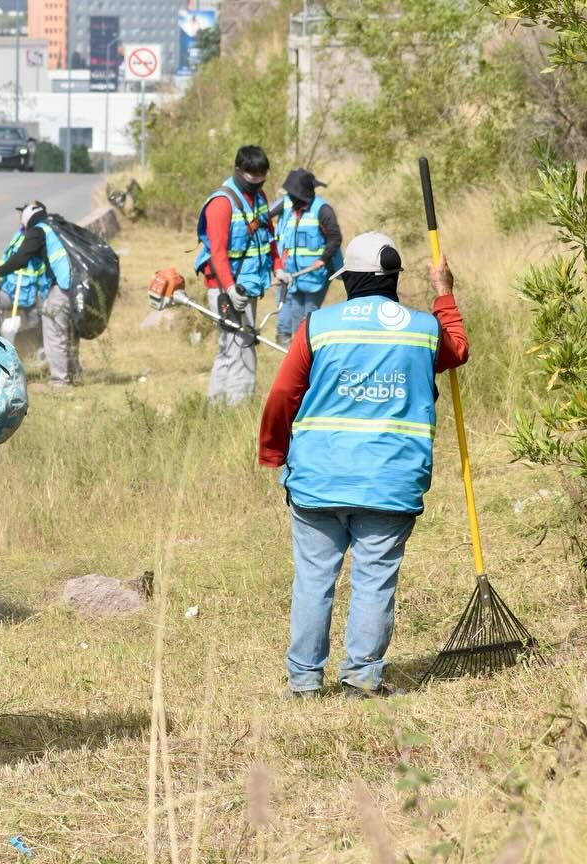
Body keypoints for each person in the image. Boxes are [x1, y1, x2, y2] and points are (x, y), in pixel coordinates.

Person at [258, 233, 469, 699]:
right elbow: (458, 348)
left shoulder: (318, 326)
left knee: (314, 579)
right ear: (393, 279)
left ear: (348, 279)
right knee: (374, 581)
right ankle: (362, 679)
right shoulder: (422, 329)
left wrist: (274, 451)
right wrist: (443, 291)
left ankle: (304, 683)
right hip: (391, 482)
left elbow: (281, 396)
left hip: (317, 480)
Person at [193, 145, 282, 406]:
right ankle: (238, 411)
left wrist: (278, 266)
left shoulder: (259, 197)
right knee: (242, 349)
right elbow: (218, 252)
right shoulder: (221, 204)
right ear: (238, 170)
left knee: (229, 348)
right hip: (226, 289)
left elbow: (267, 234)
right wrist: (230, 289)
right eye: (251, 178)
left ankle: (215, 406)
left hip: (250, 284)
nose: (256, 183)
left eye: (261, 177)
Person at [0, 200, 76, 387]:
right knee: (65, 331)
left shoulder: (38, 230)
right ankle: (72, 372)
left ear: (28, 214)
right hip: (74, 286)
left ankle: (60, 381)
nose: (20, 219)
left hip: (61, 287)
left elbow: (21, 258)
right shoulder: (55, 226)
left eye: (21, 215)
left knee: (53, 333)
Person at [272, 168, 342, 346]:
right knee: (297, 318)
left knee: (309, 316)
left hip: (316, 276)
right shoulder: (290, 207)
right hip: (294, 277)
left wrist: (322, 260)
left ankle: (308, 353)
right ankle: (296, 353)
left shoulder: (323, 210)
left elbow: (335, 238)